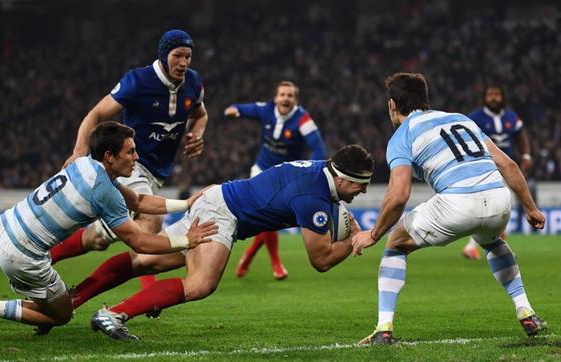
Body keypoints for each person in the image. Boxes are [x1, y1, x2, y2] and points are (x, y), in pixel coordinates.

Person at [0, 122, 217, 332]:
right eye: (130, 152)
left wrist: (186, 204)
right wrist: (186, 241)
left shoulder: (85, 164)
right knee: (61, 315)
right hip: (24, 254)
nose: (136, 157)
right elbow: (141, 244)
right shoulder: (103, 190)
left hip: (8, 223)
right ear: (110, 156)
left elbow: (138, 201)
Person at [71, 144, 373, 340]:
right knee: (201, 283)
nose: (363, 191)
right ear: (344, 178)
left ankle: (75, 298)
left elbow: (315, 195)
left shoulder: (322, 170)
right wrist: (353, 241)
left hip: (221, 198)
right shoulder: (313, 198)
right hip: (224, 212)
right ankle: (112, 314)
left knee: (146, 260)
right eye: (362, 184)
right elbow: (320, 260)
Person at [352, 73, 547, 345]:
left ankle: (383, 329)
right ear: (425, 100)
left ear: (392, 105)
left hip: (458, 203)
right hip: (500, 199)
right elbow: (508, 166)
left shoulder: (402, 136)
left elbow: (398, 196)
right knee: (492, 241)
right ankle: (526, 311)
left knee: (396, 243)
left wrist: (373, 235)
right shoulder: (462, 119)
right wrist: (531, 208)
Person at [51, 29, 208, 293]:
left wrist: (197, 134)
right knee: (150, 220)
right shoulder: (138, 81)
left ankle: (51, 259)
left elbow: (201, 115)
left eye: (188, 57)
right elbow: (97, 113)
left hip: (157, 172)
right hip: (131, 162)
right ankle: (144, 289)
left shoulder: (193, 83)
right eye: (177, 55)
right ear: (163, 54)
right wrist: (79, 151)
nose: (183, 63)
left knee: (100, 239)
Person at [224, 81, 327, 280]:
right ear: (276, 98)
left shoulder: (303, 120)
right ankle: (276, 263)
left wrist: (309, 172)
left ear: (295, 100)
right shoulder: (267, 109)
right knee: (266, 211)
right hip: (262, 171)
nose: (286, 98)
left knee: (272, 219)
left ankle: (249, 255)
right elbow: (243, 109)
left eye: (290, 96)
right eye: (282, 95)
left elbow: (319, 149)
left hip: (287, 177)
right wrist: (233, 110)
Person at [462, 83, 534, 260]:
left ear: (503, 97)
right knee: (496, 206)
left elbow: (521, 136)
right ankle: (484, 246)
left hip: (505, 168)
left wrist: (526, 155)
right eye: (490, 94)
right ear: (484, 98)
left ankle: (485, 246)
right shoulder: (474, 118)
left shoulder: (510, 117)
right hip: (483, 169)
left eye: (497, 94)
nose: (493, 98)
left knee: (502, 206)